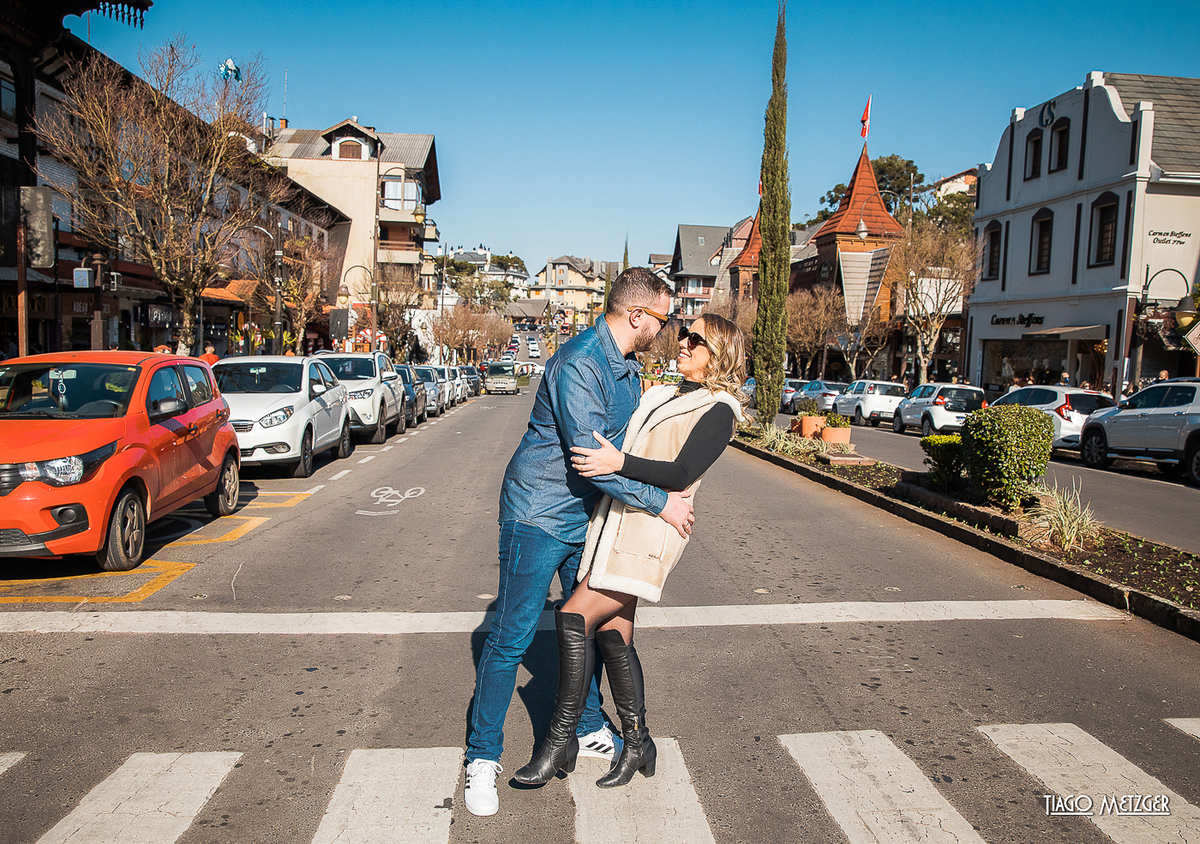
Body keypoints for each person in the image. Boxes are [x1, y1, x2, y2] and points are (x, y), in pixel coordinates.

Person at [463, 268, 694, 816]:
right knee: (512, 638)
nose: (663, 330)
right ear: (636, 315)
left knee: (582, 627)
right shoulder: (581, 364)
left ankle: (589, 724)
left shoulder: (629, 367)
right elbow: (592, 460)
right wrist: (661, 503)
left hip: (587, 518)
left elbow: (629, 443)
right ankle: (481, 758)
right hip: (538, 514)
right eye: (661, 319)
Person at [513, 315, 746, 791]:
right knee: (615, 634)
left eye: (696, 339)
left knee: (574, 616)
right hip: (618, 519)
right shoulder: (664, 392)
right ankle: (638, 743)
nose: (682, 342)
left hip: (650, 531)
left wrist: (617, 463)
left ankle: (560, 742)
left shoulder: (720, 409)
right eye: (684, 332)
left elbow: (681, 472)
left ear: (718, 353)